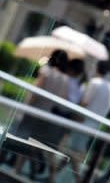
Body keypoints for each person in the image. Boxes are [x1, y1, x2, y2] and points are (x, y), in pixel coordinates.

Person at [16, 49, 69, 182]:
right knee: (32, 142)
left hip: (34, 110)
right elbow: (62, 99)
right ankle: (19, 169)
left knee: (22, 140)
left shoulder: (46, 71)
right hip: (47, 114)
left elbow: (36, 91)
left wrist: (26, 106)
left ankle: (19, 169)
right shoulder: (65, 79)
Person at [65, 61, 110, 182]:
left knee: (71, 150)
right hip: (95, 124)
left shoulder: (94, 83)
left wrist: (76, 113)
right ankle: (53, 175)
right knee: (74, 150)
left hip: (83, 121)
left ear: (97, 68)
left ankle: (79, 180)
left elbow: (85, 102)